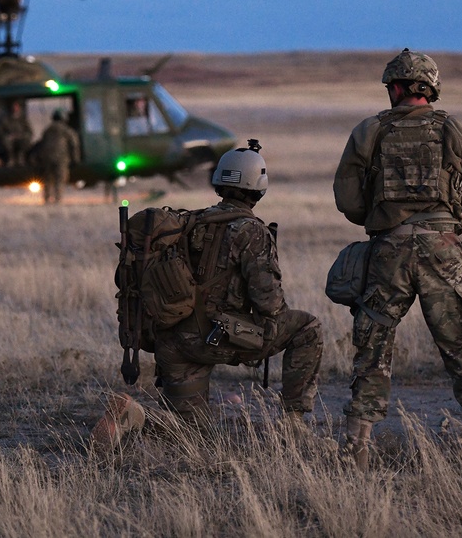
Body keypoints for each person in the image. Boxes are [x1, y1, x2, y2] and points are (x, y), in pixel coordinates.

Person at [332, 48, 462, 468]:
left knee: (372, 349)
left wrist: (385, 214)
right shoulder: (458, 129)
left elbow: (349, 202)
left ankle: (357, 447)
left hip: (388, 252)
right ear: (431, 88)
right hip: (443, 252)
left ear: (394, 87)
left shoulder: (368, 130)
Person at [94, 142, 324, 441]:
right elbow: (270, 304)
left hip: (172, 341)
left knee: (191, 433)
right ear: (259, 189)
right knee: (307, 327)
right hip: (219, 336)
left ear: (219, 182)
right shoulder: (251, 231)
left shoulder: (186, 222)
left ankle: (135, 417)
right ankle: (294, 423)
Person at [35, 109, 81, 204]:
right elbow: (74, 143)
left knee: (47, 178)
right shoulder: (66, 130)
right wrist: (76, 159)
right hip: (61, 157)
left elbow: (41, 143)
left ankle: (47, 198)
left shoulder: (47, 129)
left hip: (47, 157)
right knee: (60, 178)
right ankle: (58, 198)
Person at [0, 100, 32, 167]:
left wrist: (22, 135)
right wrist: (8, 135)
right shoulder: (6, 119)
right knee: (6, 140)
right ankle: (11, 158)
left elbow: (29, 131)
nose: (15, 108)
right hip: (10, 137)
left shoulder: (23, 119)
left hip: (21, 137)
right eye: (14, 107)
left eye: (16, 107)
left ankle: (21, 158)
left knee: (26, 138)